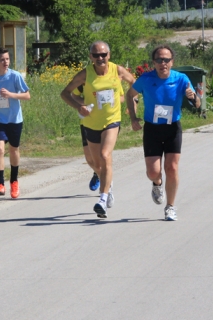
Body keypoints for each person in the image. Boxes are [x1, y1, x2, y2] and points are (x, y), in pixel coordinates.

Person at [61, 41, 136, 218]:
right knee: (96, 163)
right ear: (91, 57)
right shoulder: (85, 74)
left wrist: (132, 103)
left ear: (109, 55)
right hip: (91, 123)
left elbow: (134, 83)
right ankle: (108, 185)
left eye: (103, 55)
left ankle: (102, 199)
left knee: (104, 156)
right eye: (96, 55)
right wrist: (79, 106)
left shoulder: (117, 70)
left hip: (112, 120)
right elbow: (65, 93)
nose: (100, 58)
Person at [125, 45, 200, 221]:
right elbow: (130, 95)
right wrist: (133, 118)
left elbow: (197, 104)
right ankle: (157, 183)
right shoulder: (146, 78)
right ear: (154, 62)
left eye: (166, 60)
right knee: (153, 171)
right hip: (152, 129)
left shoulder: (181, 79)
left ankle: (170, 207)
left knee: (172, 168)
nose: (163, 63)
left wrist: (192, 97)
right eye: (159, 59)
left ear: (172, 62)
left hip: (173, 127)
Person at [0, 47, 31, 198]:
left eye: (7, 59)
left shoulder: (15, 76)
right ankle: (0, 184)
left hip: (14, 119)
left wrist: (11, 95)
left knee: (13, 150)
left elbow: (27, 95)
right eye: (2, 60)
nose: (5, 62)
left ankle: (14, 182)